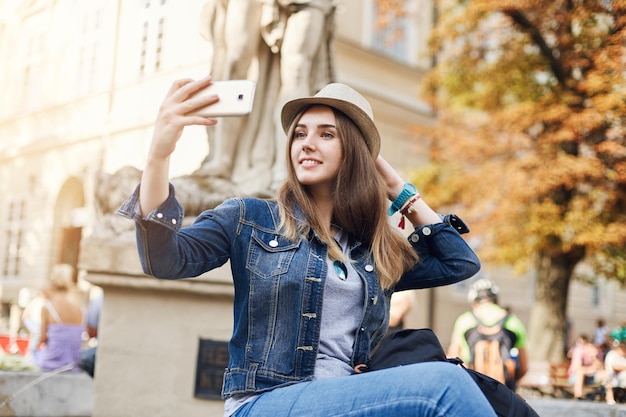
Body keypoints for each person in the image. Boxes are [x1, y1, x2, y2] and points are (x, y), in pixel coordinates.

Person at [117, 77, 496, 417]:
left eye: (327, 134)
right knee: (445, 387)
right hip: (265, 402)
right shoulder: (250, 219)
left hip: (346, 400)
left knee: (487, 394)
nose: (307, 143)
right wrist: (159, 155)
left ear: (355, 154)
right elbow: (163, 259)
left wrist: (398, 189)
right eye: (300, 134)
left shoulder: (373, 252)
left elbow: (459, 262)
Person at [447, 278, 529, 390]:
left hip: (474, 390)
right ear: (496, 300)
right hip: (503, 394)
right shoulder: (513, 321)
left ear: (474, 302)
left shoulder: (464, 320)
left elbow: (452, 360)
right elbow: (524, 368)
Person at [32, 264, 85, 372]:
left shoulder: (48, 307)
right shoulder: (79, 308)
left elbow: (42, 338)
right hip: (73, 363)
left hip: (52, 362)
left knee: (33, 356)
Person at [567, 334, 605, 400]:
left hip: (591, 376)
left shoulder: (598, 352)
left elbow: (601, 368)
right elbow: (577, 368)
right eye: (589, 347)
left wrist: (594, 358)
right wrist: (589, 369)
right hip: (575, 376)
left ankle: (607, 397)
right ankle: (578, 396)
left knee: (605, 374)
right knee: (580, 373)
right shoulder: (579, 351)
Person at [604, 338, 626, 404]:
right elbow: (614, 367)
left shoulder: (623, 356)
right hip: (612, 376)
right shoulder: (612, 355)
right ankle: (610, 398)